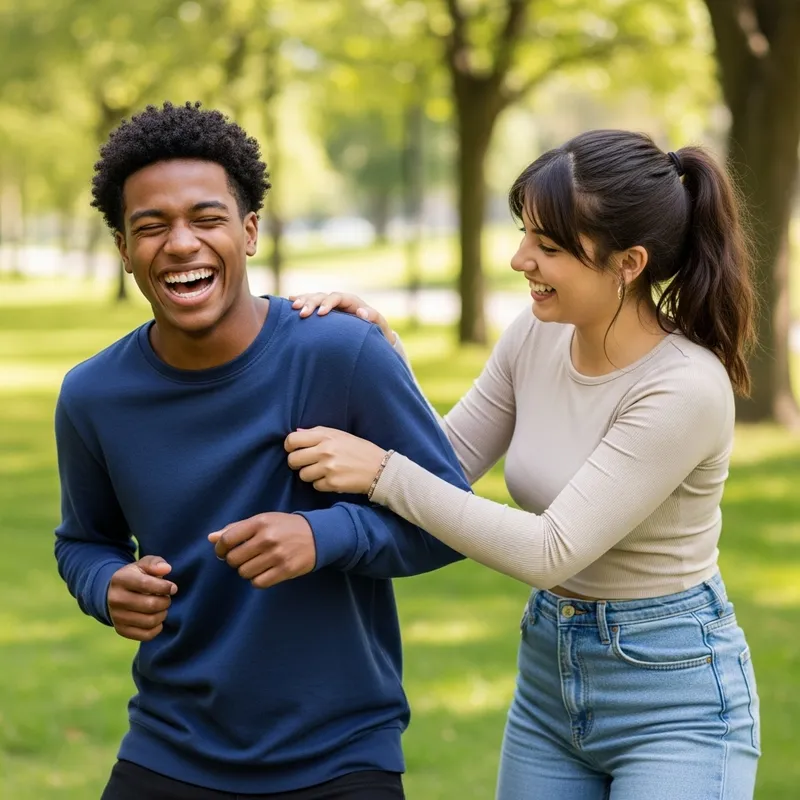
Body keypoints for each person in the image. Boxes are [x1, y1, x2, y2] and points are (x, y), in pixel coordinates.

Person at [284, 129, 761, 800]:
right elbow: (444, 461)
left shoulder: (683, 387)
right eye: (525, 234)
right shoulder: (536, 335)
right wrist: (376, 355)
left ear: (628, 263)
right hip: (549, 682)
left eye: (549, 247)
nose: (518, 259)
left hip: (672, 695)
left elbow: (550, 550)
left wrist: (381, 472)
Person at [53, 101, 471, 800]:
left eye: (206, 218)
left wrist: (324, 534)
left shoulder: (342, 352)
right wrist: (106, 586)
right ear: (124, 251)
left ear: (249, 231)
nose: (180, 243)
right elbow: (82, 541)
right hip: (170, 747)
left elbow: (451, 521)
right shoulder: (93, 395)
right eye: (150, 227)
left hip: (340, 757)